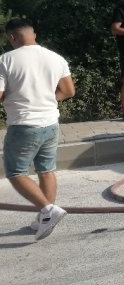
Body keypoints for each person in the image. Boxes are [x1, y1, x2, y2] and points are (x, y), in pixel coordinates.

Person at [0, 19, 76, 240]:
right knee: (46, 169)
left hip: (24, 125)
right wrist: (48, 100)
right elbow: (69, 91)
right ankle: (44, 217)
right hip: (50, 122)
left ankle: (48, 210)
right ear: (34, 34)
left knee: (16, 172)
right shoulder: (55, 58)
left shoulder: (5, 60)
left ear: (12, 37)